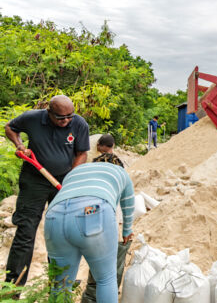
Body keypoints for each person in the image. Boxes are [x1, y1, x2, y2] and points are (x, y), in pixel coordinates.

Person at [3, 95, 89, 286]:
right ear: (49, 112)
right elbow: (10, 127)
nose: (66, 120)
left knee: (61, 233)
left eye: (69, 116)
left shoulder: (79, 124)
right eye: (60, 117)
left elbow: (82, 153)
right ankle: (11, 288)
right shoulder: (32, 118)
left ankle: (59, 285)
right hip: (34, 181)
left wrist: (71, 179)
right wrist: (19, 145)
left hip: (63, 183)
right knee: (25, 232)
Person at [44, 161, 134, 303]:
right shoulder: (120, 172)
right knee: (106, 279)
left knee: (60, 284)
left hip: (54, 216)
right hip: (93, 212)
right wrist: (127, 230)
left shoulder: (76, 171)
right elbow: (128, 202)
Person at [80, 134, 129, 303]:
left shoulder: (93, 181)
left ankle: (91, 297)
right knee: (107, 270)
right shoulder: (90, 152)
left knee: (101, 264)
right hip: (104, 223)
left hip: (99, 221)